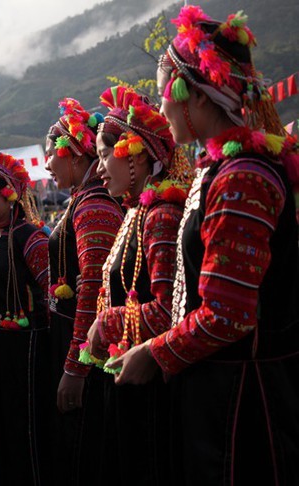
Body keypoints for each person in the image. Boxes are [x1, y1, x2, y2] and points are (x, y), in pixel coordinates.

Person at [111, 7, 299, 485]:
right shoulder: (218, 171)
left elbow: (228, 314)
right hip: (212, 383)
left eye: (164, 95)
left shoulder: (243, 178)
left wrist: (153, 352)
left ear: (193, 94)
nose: (163, 108)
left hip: (242, 399)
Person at [83, 86, 191, 485]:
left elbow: (168, 309)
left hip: (151, 383)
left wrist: (105, 325)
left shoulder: (160, 216)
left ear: (136, 152)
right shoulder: (136, 211)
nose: (98, 169)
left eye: (103, 154)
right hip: (130, 375)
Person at [45, 98, 123, 485]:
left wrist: (76, 367)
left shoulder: (94, 206)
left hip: (88, 348)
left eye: (50, 155)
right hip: (75, 339)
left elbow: (93, 289)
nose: (46, 165)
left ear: (73, 154)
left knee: (86, 446)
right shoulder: (82, 198)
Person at [0, 148, 53, 485]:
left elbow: (53, 289)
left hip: (27, 344)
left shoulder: (29, 237)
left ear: (10, 195)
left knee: (26, 421)